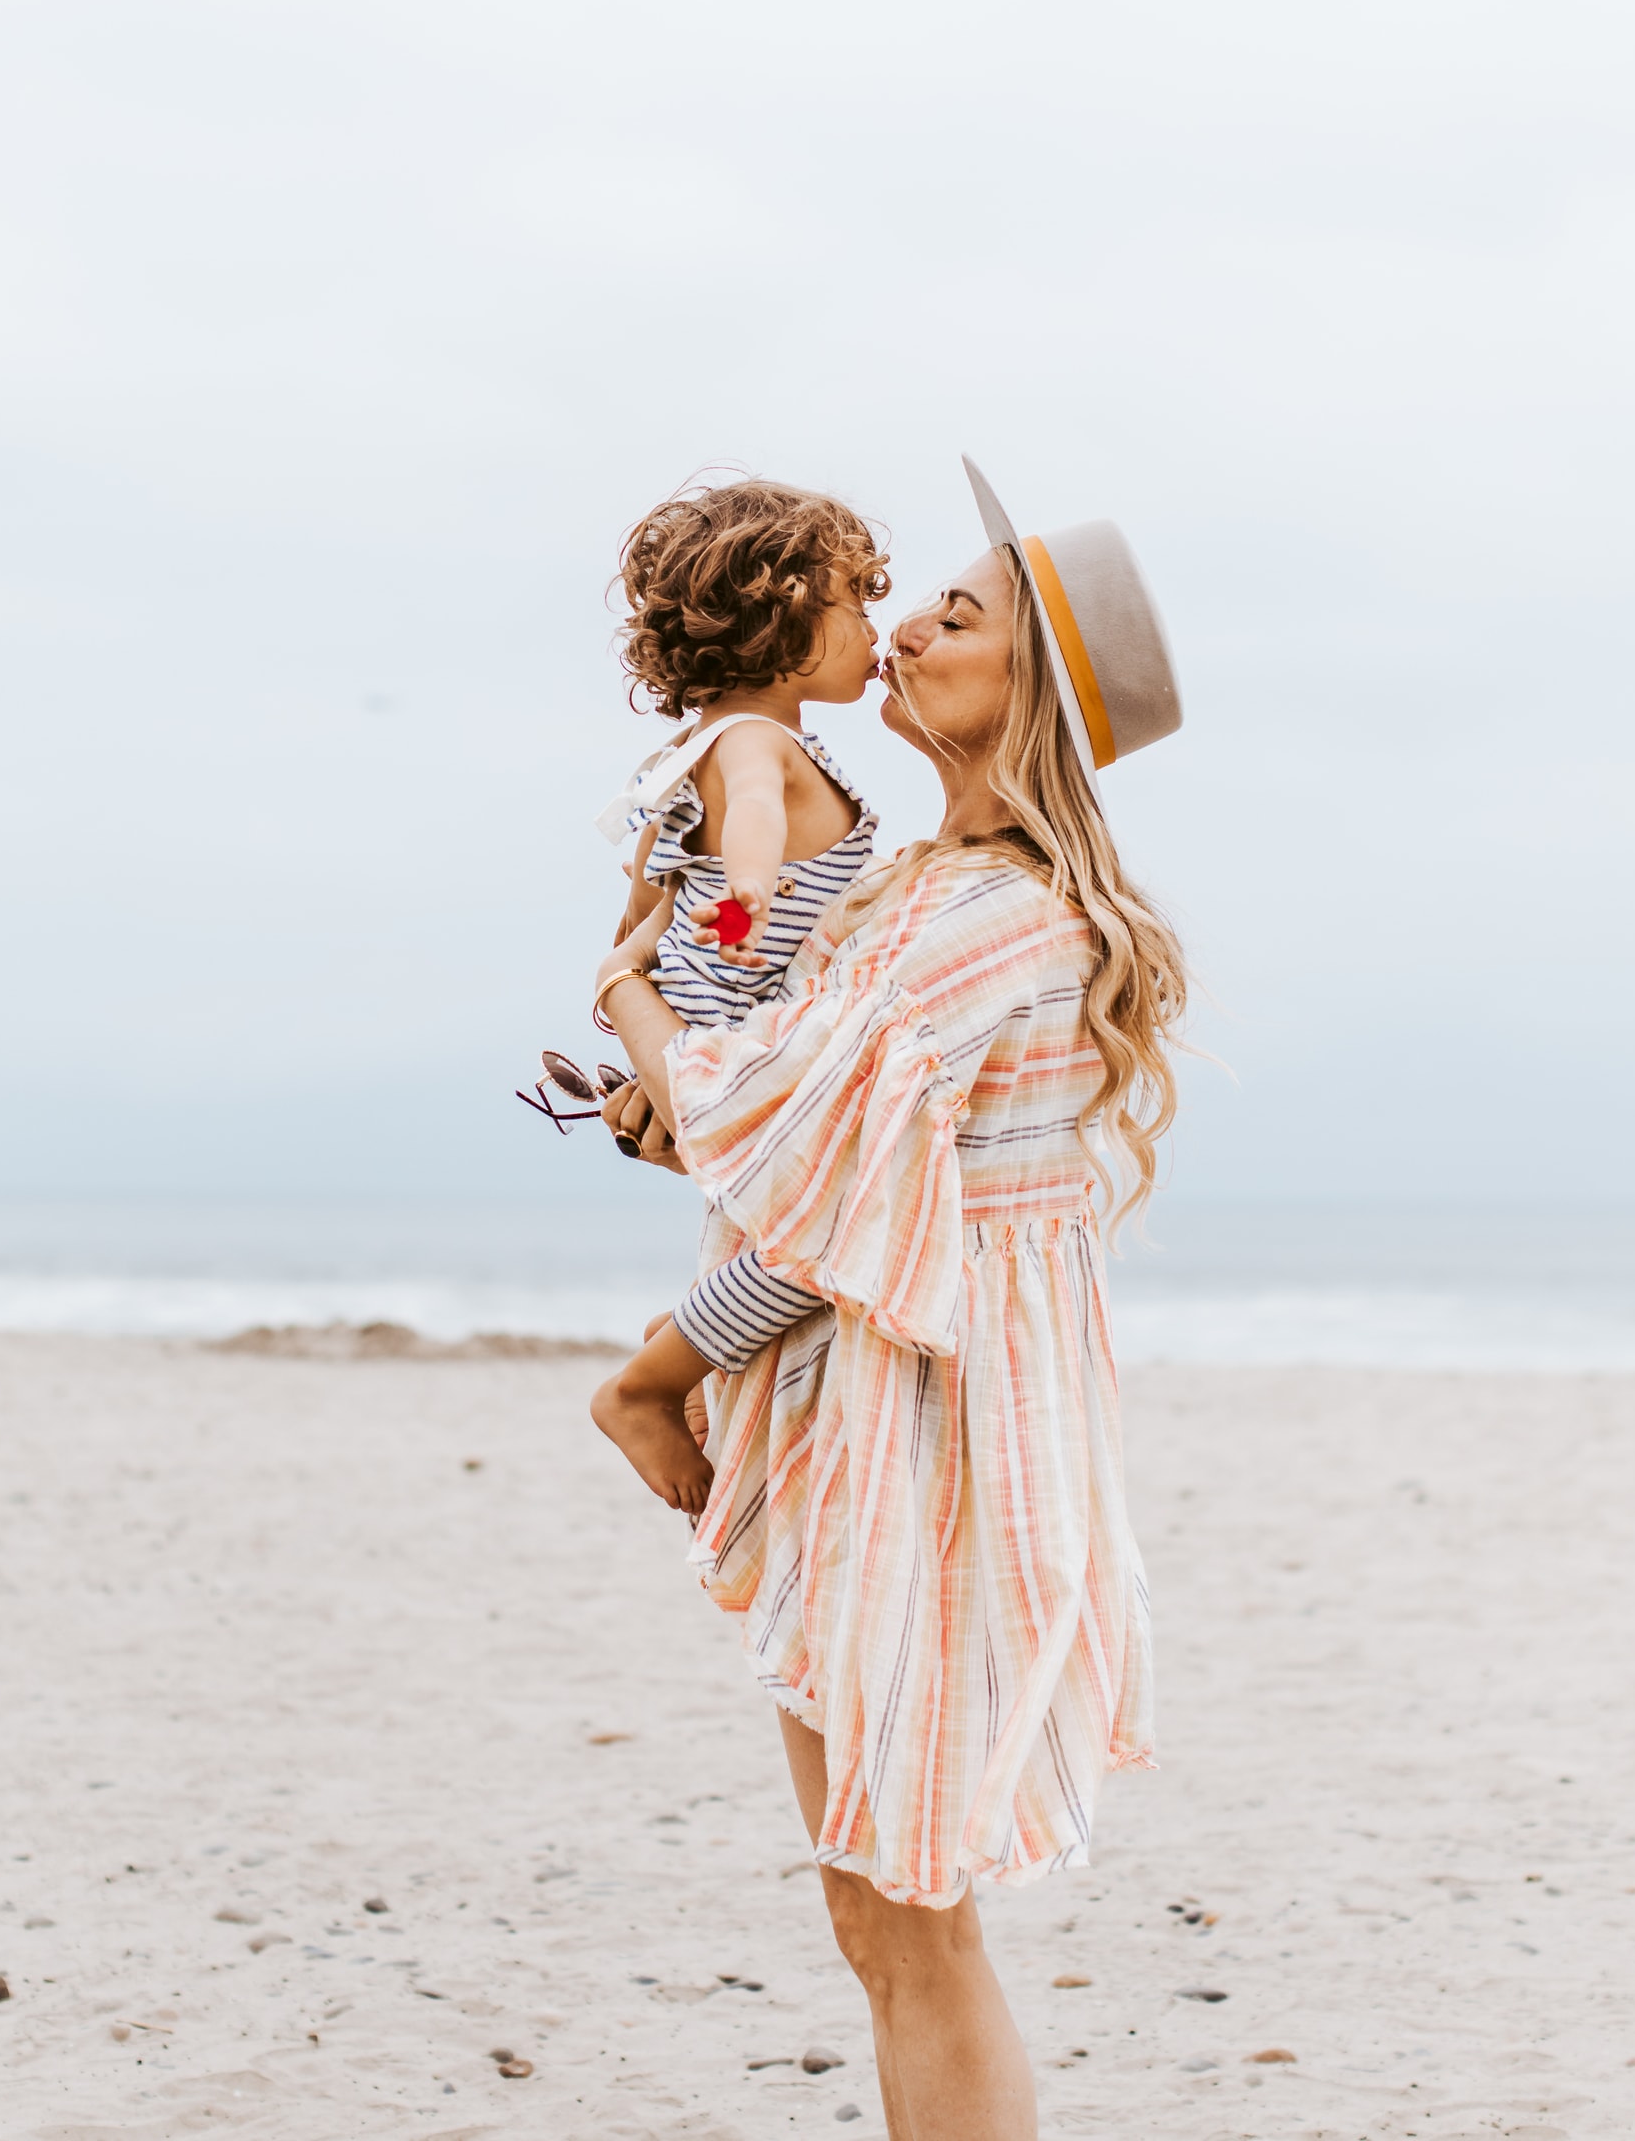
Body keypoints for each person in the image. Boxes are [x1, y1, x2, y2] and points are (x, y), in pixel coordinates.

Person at [590, 459, 1187, 2141]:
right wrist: (681, 1085)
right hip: (877, 1433)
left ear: (1035, 693)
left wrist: (631, 1010)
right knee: (882, 1921)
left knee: (910, 1926)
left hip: (924, 1459)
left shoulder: (989, 920)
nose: (912, 618)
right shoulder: (906, 888)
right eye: (916, 593)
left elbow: (812, 1186)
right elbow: (780, 1152)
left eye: (962, 608)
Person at [586, 478, 891, 1511]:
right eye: (857, 604)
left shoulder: (693, 749)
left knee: (799, 1230)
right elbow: (752, 822)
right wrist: (745, 896)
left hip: (723, 1012)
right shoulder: (755, 745)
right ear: (789, 610)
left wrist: (636, 999)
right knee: (836, 1226)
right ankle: (652, 1382)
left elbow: (639, 897)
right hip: (742, 1026)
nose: (873, 629)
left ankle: (687, 1340)